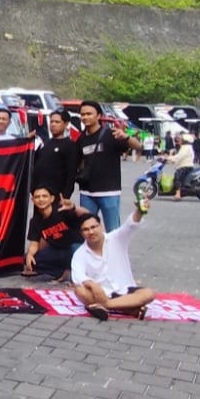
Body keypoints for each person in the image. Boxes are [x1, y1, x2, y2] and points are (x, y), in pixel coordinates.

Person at [72, 198, 157, 321]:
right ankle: (130, 309)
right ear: (81, 233)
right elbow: (77, 276)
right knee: (80, 291)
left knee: (149, 294)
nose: (91, 232)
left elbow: (131, 225)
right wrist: (92, 284)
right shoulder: (80, 253)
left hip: (125, 289)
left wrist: (139, 210)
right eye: (86, 229)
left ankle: (106, 306)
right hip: (101, 293)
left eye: (93, 227)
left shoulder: (116, 238)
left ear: (100, 226)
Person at [76, 101, 136, 231]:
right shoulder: (81, 139)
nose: (85, 117)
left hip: (109, 192)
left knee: (113, 231)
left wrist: (126, 137)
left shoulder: (111, 134)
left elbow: (138, 147)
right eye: (82, 114)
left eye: (89, 114)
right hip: (87, 193)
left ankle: (113, 252)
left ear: (98, 116)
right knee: (86, 229)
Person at [23, 184, 92, 282]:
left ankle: (79, 272)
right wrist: (30, 254)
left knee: (74, 249)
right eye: (37, 197)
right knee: (28, 259)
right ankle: (63, 272)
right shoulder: (35, 221)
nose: (41, 199)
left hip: (76, 248)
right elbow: (34, 243)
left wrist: (74, 207)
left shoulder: (62, 210)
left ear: (51, 199)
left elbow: (88, 215)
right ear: (33, 200)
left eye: (44, 196)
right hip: (59, 251)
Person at [32, 110, 81, 204]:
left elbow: (71, 173)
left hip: (58, 195)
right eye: (51, 121)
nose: (53, 125)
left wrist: (66, 195)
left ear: (66, 124)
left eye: (57, 122)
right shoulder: (44, 143)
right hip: (40, 194)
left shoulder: (70, 145)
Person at [168, 133, 196, 200]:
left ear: (185, 140)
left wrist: (168, 158)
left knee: (177, 178)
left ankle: (178, 195)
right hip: (186, 166)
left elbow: (179, 157)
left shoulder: (185, 148)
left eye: (181, 139)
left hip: (185, 166)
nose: (179, 141)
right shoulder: (186, 147)